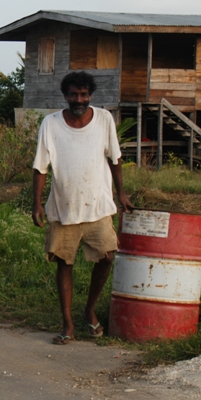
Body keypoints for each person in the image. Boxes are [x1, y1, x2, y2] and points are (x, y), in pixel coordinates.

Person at [31, 71, 133, 345]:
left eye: (84, 95)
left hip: (98, 205)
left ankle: (90, 309)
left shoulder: (103, 120)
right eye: (74, 95)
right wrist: (37, 203)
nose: (79, 100)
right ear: (65, 96)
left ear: (91, 96)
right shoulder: (50, 124)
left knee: (108, 256)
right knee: (64, 263)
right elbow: (41, 167)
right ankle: (68, 324)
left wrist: (121, 193)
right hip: (64, 207)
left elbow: (115, 158)